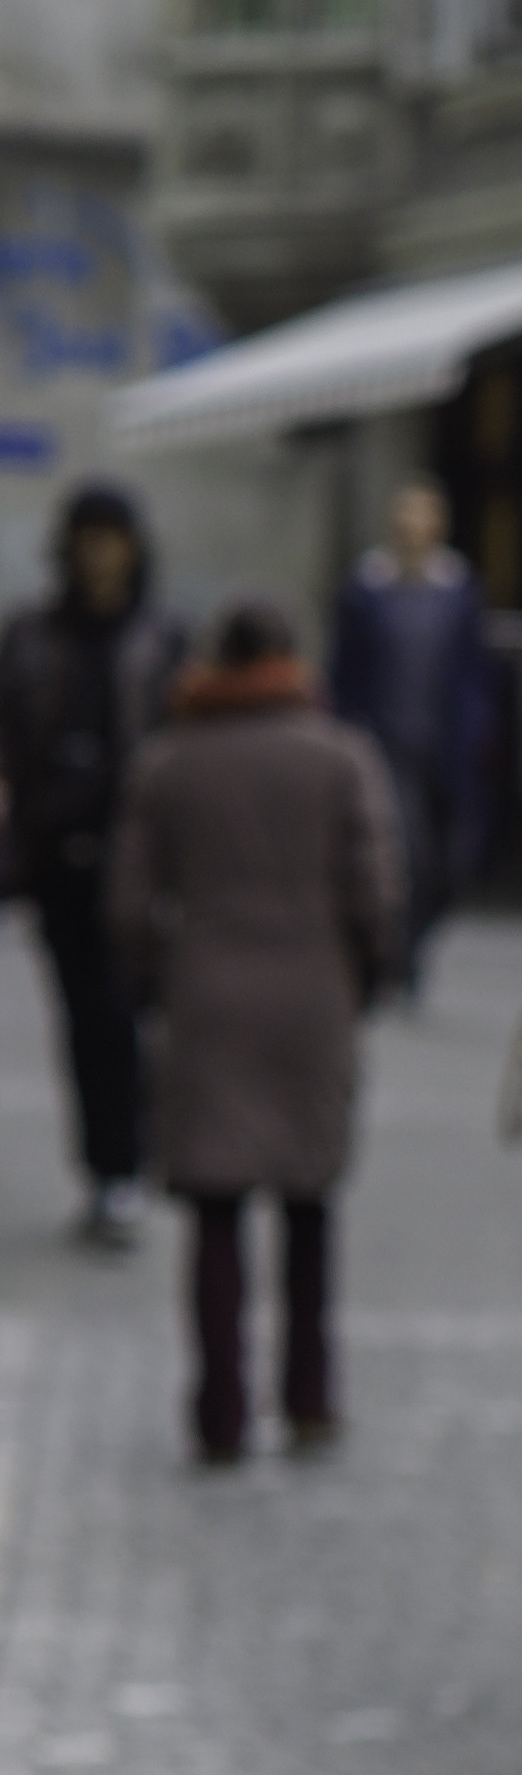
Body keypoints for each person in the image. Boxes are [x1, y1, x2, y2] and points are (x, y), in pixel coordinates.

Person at [116, 601, 399, 1465]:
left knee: (214, 1210)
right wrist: (365, 977)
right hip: (312, 992)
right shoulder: (339, 757)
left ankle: (220, 1410)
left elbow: (128, 903)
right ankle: (309, 1396)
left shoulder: (170, 762)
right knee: (308, 1203)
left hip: (208, 995)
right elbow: (377, 890)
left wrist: (155, 981)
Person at [0, 484, 198, 1246]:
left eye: (111, 538)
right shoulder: (32, 634)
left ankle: (126, 1164)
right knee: (83, 1016)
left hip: (138, 853)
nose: (99, 555)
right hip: (56, 849)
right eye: (88, 537)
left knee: (124, 1013)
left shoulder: (161, 635)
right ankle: (105, 1168)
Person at [326, 477, 496, 1002]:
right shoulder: (365, 589)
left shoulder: (458, 590)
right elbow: (345, 671)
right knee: (406, 854)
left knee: (449, 862)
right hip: (383, 744)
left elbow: (473, 670)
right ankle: (394, 956)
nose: (414, 528)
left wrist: (476, 727)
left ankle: (410, 946)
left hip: (443, 746)